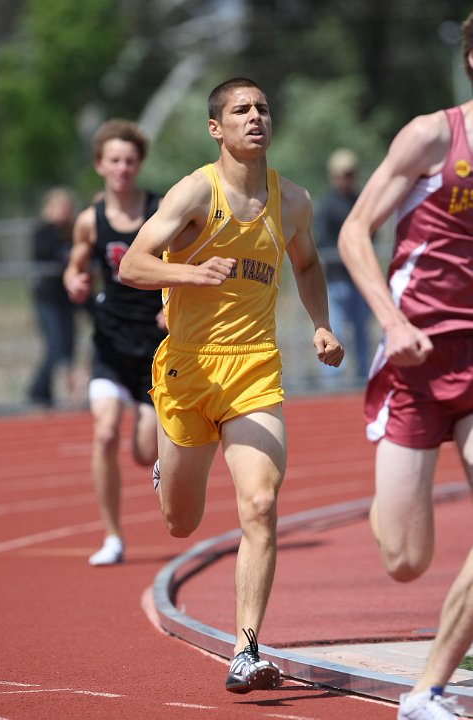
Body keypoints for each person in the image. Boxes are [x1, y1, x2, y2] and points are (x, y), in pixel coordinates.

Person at [119, 77, 344, 693]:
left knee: (261, 504)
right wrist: (188, 274)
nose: (255, 118)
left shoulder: (291, 200)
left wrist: (321, 324)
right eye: (240, 110)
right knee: (180, 524)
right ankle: (170, 469)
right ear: (216, 128)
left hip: (252, 369)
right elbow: (131, 264)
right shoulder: (197, 191)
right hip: (189, 369)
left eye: (263, 108)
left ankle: (245, 650)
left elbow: (306, 262)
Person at [338, 12, 473, 720]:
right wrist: (391, 323)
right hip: (416, 360)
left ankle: (425, 689)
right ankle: (386, 506)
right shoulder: (432, 134)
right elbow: (353, 229)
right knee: (404, 559)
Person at [64, 119, 166, 566]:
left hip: (154, 346)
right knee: (104, 434)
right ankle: (111, 536)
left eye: (130, 160)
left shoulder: (161, 211)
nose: (122, 168)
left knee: (145, 453)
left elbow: (189, 260)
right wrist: (75, 283)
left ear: (139, 164)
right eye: (114, 161)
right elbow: (75, 265)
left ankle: (152, 435)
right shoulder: (90, 219)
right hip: (109, 341)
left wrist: (174, 302)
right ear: (100, 166)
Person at [314, 149, 371, 386]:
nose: (347, 179)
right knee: (334, 329)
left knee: (362, 330)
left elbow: (370, 232)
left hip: (359, 279)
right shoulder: (327, 205)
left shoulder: (360, 200)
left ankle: (364, 376)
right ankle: (332, 381)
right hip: (337, 280)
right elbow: (322, 240)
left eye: (350, 174)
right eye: (343, 174)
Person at [27, 187, 79, 407]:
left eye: (66, 207)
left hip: (66, 298)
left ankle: (44, 392)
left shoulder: (73, 231)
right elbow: (49, 254)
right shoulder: (43, 231)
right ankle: (38, 390)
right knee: (55, 345)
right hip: (47, 299)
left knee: (68, 345)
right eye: (59, 207)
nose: (63, 211)